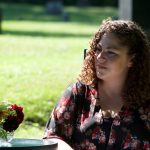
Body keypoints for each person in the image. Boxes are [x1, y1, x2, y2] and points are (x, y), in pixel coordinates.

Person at [43, 19, 150, 150]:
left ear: (132, 60)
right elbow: (53, 137)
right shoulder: (79, 92)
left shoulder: (146, 101)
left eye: (111, 52)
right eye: (98, 49)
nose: (99, 57)